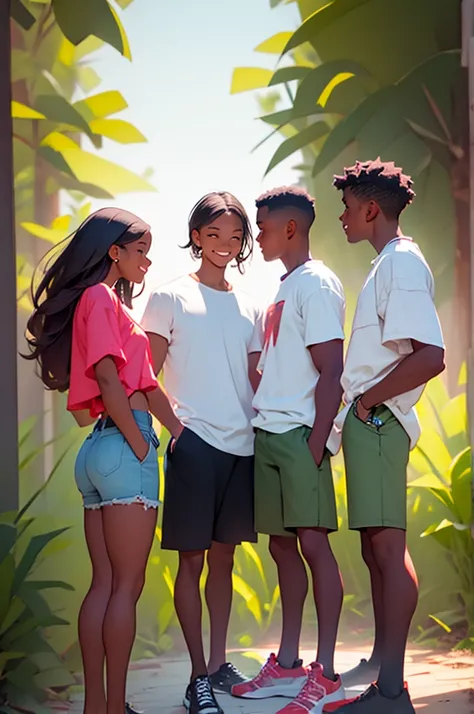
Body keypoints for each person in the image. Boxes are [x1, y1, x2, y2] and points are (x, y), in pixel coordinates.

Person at [24, 208, 174, 714]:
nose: (147, 261)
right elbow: (110, 378)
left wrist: (179, 434)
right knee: (126, 587)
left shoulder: (113, 306)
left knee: (105, 584)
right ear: (115, 252)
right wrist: (139, 442)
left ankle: (98, 708)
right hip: (122, 448)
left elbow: (146, 383)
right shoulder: (101, 298)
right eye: (141, 251)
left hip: (97, 453)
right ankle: (113, 708)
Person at [323, 159, 445, 714]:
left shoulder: (400, 263)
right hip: (371, 422)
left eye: (348, 208)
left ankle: (391, 692)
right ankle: (381, 665)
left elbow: (431, 356)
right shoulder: (386, 265)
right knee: (377, 550)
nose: (342, 218)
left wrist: (369, 402)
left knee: (387, 551)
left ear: (371, 209)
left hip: (379, 421)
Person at [140, 192, 262, 714]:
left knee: (224, 562)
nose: (224, 245)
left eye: (235, 237)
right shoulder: (168, 298)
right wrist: (179, 435)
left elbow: (256, 379)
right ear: (196, 237)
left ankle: (216, 664)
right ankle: (196, 678)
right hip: (195, 447)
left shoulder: (252, 304)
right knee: (191, 563)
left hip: (242, 449)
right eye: (213, 235)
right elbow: (145, 379)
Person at [232, 186, 346, 713]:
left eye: (263, 226)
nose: (258, 236)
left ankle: (324, 673)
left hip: (301, 438)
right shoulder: (283, 288)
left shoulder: (317, 284)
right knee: (282, 548)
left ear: (291, 229)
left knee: (314, 546)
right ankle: (288, 663)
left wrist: (319, 441)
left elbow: (332, 370)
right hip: (270, 437)